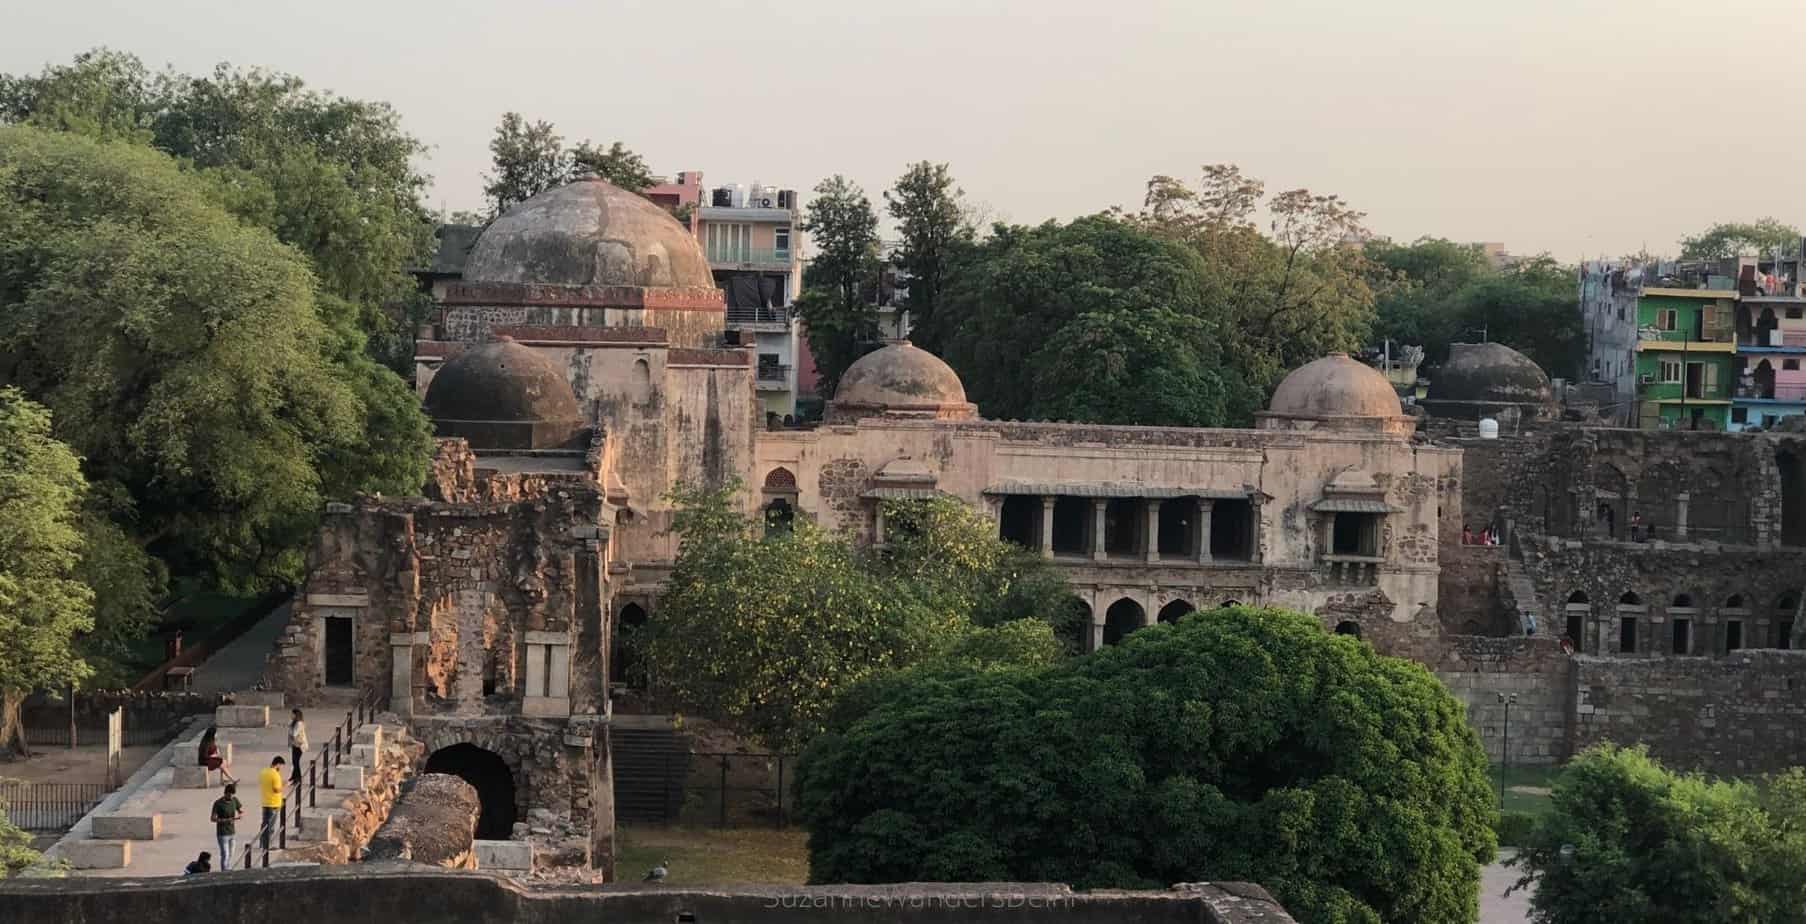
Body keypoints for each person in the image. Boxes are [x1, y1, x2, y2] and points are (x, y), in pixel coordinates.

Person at [211, 783, 243, 867]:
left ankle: (227, 868)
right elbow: (213, 818)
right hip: (222, 833)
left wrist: (240, 814)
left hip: (232, 832)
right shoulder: (218, 803)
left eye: (233, 794)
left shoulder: (234, 800)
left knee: (231, 854)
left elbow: (240, 810)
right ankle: (224, 871)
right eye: (230, 794)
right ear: (226, 793)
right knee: (225, 854)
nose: (231, 796)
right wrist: (226, 820)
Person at [258, 756, 285, 851]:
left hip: (265, 801)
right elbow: (276, 789)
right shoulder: (275, 775)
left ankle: (262, 843)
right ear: (278, 764)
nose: (280, 768)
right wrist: (285, 785)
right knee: (271, 826)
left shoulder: (264, 772)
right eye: (281, 765)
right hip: (273, 803)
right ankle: (268, 845)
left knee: (264, 824)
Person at [287, 710, 308, 784]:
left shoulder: (299, 724)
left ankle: (298, 778)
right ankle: (294, 777)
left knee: (296, 761)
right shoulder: (293, 723)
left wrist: (289, 727)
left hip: (300, 745)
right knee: (294, 761)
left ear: (296, 715)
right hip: (295, 744)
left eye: (292, 714)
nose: (291, 715)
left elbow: (294, 734)